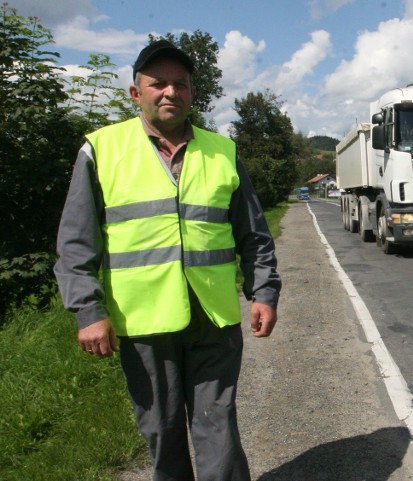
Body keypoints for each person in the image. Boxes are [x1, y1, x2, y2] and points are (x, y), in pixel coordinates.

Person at [54, 40, 281, 481]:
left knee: (218, 425)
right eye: (158, 84)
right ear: (136, 93)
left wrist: (264, 292)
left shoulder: (224, 152)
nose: (170, 92)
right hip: (142, 321)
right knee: (161, 429)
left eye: (180, 84)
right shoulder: (101, 149)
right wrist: (88, 311)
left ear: (193, 94)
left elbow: (253, 234)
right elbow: (76, 241)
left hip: (213, 318)